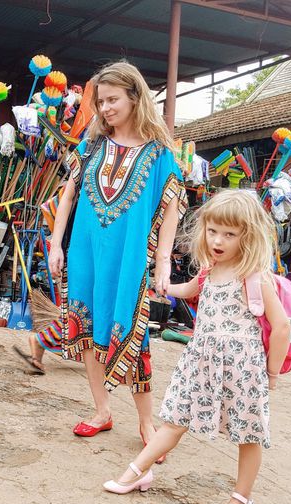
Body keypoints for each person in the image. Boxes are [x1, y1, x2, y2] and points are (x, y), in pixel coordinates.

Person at [104, 190, 290, 504]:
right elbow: (189, 289)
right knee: (174, 419)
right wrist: (161, 287)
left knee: (248, 434)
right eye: (213, 230)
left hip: (244, 369)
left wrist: (272, 372)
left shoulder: (254, 276)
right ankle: (138, 471)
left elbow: (281, 328)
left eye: (229, 234)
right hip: (200, 363)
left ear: (247, 236)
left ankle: (241, 498)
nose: (218, 240)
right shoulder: (209, 269)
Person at [48, 62, 187, 452]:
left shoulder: (159, 155)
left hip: (129, 260)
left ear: (134, 97)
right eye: (101, 101)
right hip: (87, 255)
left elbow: (172, 206)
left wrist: (162, 262)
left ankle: (146, 423)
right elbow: (68, 195)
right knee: (89, 328)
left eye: (112, 100)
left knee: (133, 332)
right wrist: (57, 242)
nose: (105, 108)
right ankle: (102, 411)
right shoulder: (91, 147)